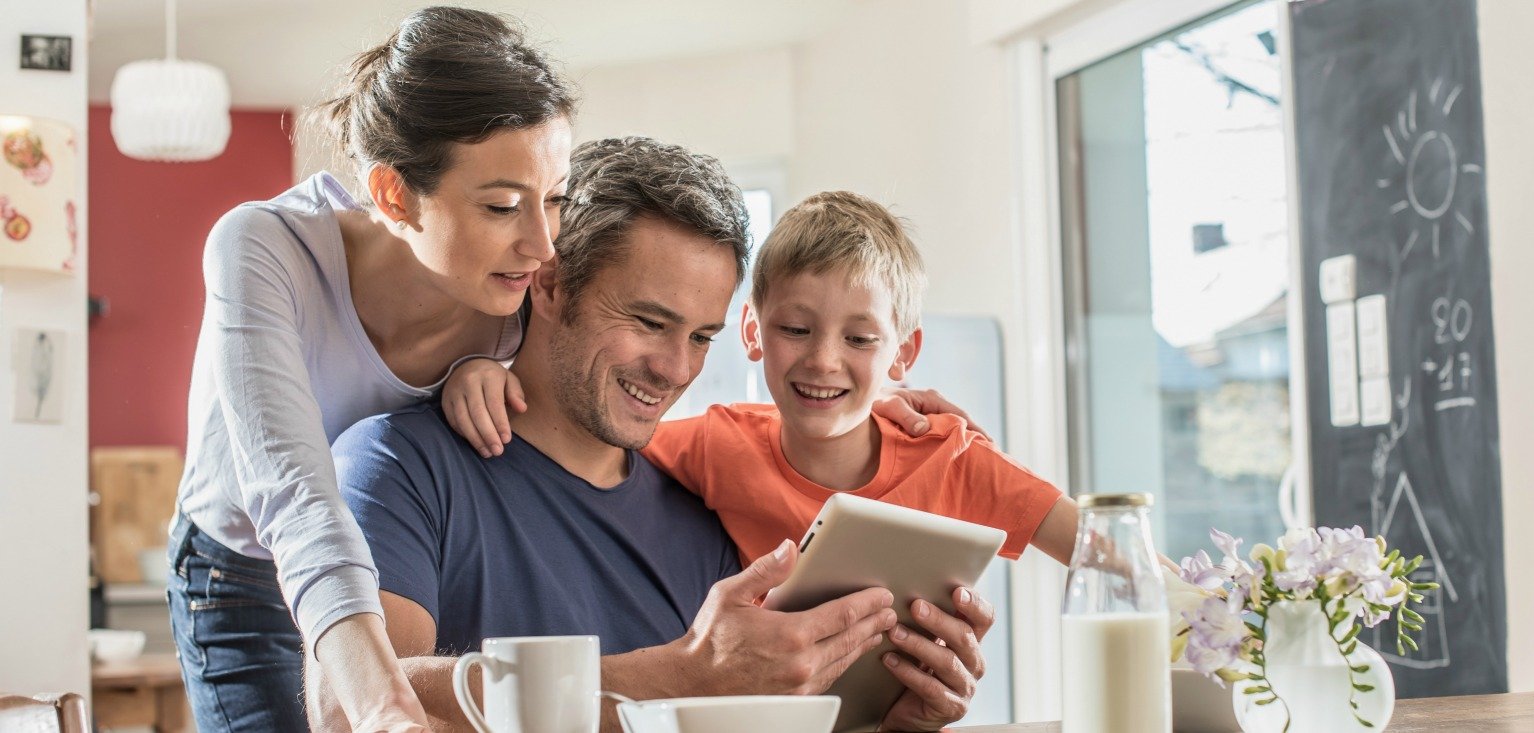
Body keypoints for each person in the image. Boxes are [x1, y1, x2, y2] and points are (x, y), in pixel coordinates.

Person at [329, 137, 994, 732]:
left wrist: (894, 724)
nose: (676, 368)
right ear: (552, 284)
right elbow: (352, 711)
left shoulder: (705, 517)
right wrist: (678, 677)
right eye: (649, 322)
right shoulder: (399, 466)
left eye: (701, 336)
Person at [165, 7, 575, 731]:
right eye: (505, 206)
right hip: (245, 571)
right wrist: (387, 708)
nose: (541, 244)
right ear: (393, 195)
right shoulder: (263, 249)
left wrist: (486, 366)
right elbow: (297, 500)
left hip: (392, 566)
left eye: (554, 200)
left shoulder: (516, 298)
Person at [640, 191, 1081, 568]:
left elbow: (1114, 558)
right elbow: (591, 447)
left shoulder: (949, 457)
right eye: (796, 329)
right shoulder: (717, 445)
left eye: (860, 339)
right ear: (752, 331)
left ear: (903, 353)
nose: (824, 361)